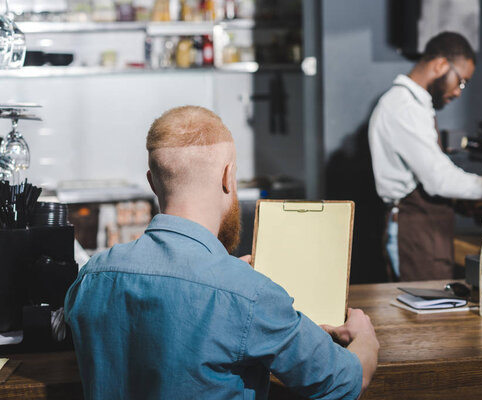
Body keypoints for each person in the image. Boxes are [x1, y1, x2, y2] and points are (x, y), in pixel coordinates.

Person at [64, 106, 379, 399]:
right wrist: (364, 337)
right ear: (229, 177)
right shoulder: (249, 294)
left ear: (152, 182)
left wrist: (230, 281)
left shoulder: (91, 278)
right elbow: (346, 379)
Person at [368, 32, 482, 282]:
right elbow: (439, 180)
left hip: (423, 230)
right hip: (415, 232)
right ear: (441, 65)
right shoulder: (404, 107)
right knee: (422, 317)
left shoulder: (413, 105)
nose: (458, 92)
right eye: (461, 81)